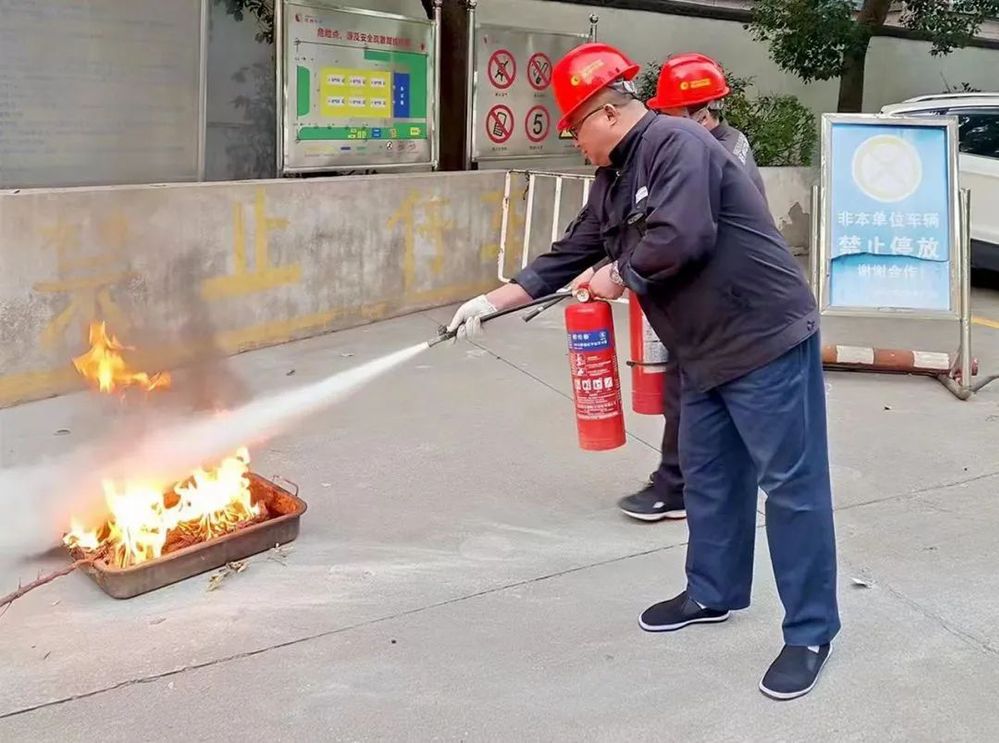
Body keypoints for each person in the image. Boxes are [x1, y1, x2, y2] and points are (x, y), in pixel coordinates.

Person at [447, 42, 839, 700]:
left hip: (761, 335)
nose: (574, 143)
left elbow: (683, 235)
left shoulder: (678, 142)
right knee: (708, 478)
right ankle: (711, 592)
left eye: (574, 128)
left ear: (606, 112)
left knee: (790, 487)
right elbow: (569, 251)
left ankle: (810, 631)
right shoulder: (611, 179)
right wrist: (491, 301)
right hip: (700, 348)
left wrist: (617, 275)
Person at [616, 52, 770, 523]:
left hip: (724, 299)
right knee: (689, 390)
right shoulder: (720, 142)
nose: (663, 123)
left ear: (701, 113)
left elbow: (684, 228)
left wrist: (625, 269)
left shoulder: (714, 152)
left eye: (671, 113)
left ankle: (677, 487)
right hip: (715, 295)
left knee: (687, 390)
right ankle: (688, 480)